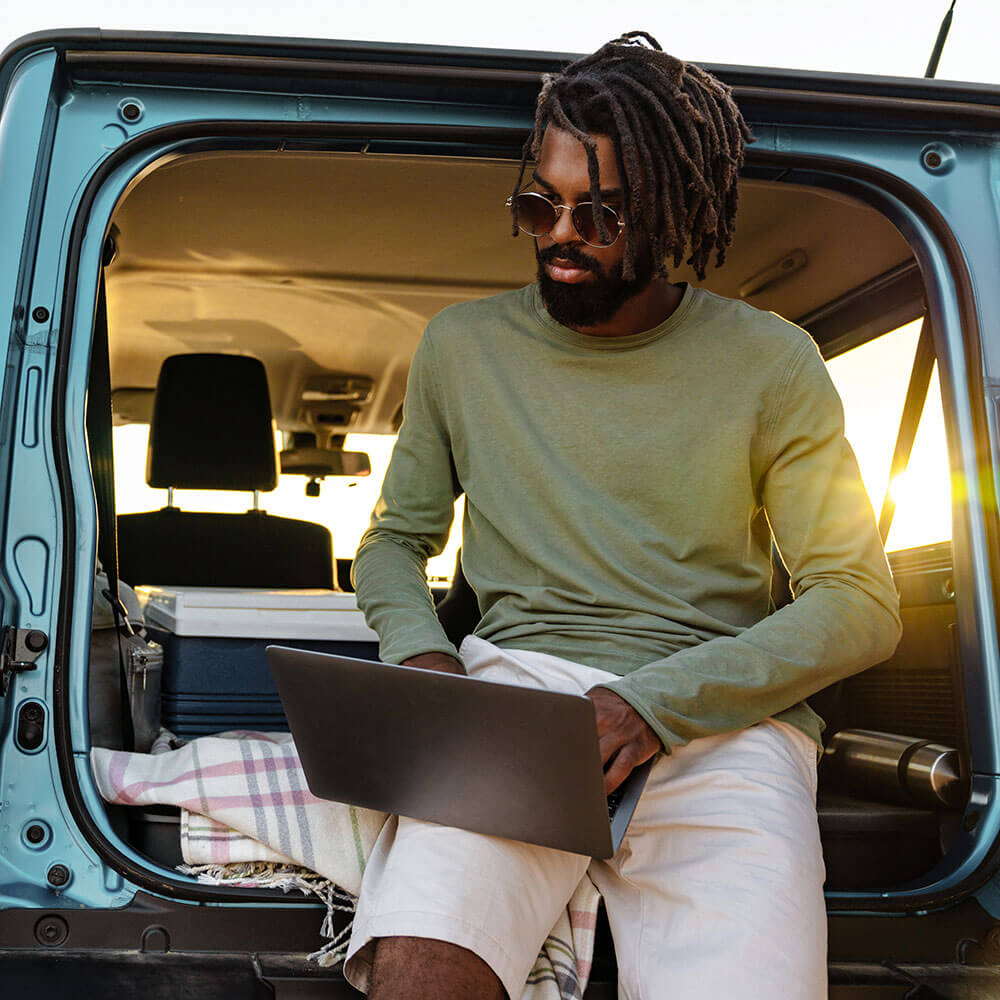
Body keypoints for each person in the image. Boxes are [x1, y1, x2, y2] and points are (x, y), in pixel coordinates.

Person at [343, 31, 902, 1000]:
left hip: (725, 725)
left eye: (600, 213)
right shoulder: (461, 347)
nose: (562, 235)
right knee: (422, 968)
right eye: (539, 204)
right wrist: (427, 661)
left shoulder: (771, 360)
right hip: (514, 700)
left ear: (675, 213)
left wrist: (649, 706)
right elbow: (395, 541)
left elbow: (859, 601)